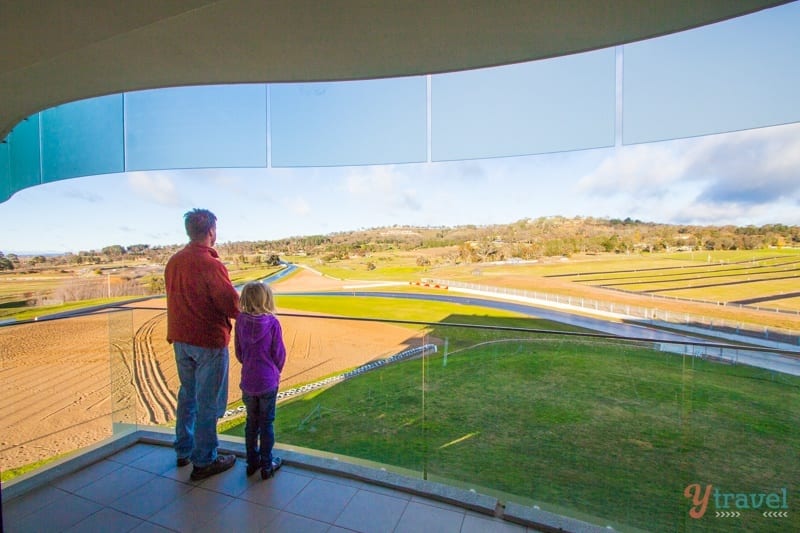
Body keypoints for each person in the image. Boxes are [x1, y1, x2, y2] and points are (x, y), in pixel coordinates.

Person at [165, 208, 240, 481]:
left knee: (188, 396)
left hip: (180, 339)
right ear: (211, 232)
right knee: (208, 402)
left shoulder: (174, 262)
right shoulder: (210, 265)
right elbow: (231, 304)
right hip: (207, 340)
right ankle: (205, 459)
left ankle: (184, 449)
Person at [235, 281, 286, 479]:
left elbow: (239, 352)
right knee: (267, 424)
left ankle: (251, 462)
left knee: (251, 423)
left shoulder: (240, 321)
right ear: (267, 299)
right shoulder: (272, 323)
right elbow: (279, 354)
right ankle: (267, 465)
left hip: (249, 381)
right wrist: (275, 371)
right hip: (268, 382)